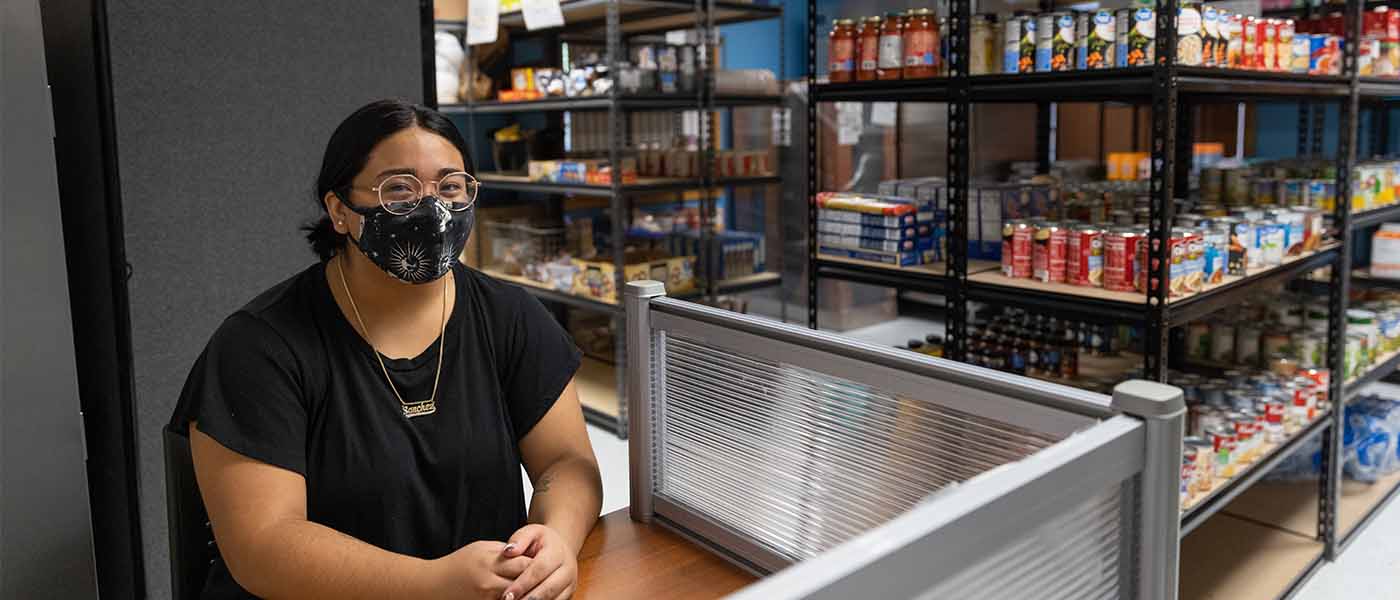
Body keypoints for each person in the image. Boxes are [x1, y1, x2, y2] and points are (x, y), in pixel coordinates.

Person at [169, 98, 600, 600]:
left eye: (451, 187)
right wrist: (432, 584)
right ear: (339, 211)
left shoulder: (510, 316)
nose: (432, 208)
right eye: (399, 189)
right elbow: (264, 544)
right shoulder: (260, 345)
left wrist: (557, 541)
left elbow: (566, 464)